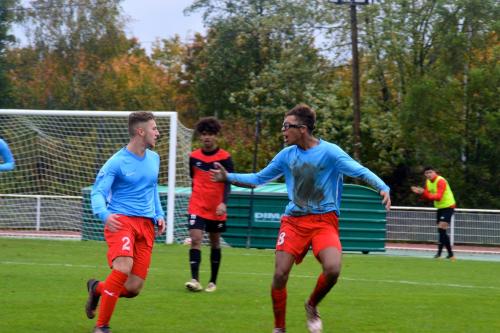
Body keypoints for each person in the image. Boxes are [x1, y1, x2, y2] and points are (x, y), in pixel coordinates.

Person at [211, 104, 391, 333]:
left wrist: (382, 187)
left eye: (287, 126)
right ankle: (279, 328)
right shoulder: (286, 156)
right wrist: (228, 177)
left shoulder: (331, 152)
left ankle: (312, 305)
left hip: (324, 222)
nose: (283, 130)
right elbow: (258, 179)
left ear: (303, 129)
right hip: (294, 222)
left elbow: (360, 171)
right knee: (279, 273)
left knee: (333, 269)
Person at [86, 112, 166, 333]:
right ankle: (101, 327)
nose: (158, 133)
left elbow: (151, 189)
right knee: (123, 268)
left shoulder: (154, 158)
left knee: (132, 288)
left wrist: (159, 214)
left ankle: (97, 289)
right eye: (154, 128)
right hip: (121, 221)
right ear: (140, 131)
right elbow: (98, 192)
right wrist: (104, 214)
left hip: (146, 225)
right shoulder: (117, 162)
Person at [184, 117, 234, 293]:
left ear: (216, 136)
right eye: (204, 134)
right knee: (196, 239)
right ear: (200, 136)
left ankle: (212, 281)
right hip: (197, 205)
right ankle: (195, 279)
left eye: (210, 134)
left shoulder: (225, 158)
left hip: (216, 207)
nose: (207, 137)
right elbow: (194, 179)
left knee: (215, 242)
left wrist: (223, 202)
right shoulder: (193, 157)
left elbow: (229, 182)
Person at [411, 166, 456, 260]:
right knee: (441, 231)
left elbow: (438, 197)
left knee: (441, 229)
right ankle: (450, 255)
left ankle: (439, 254)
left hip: (448, 206)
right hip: (440, 208)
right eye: (427, 173)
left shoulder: (441, 181)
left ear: (435, 172)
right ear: (425, 175)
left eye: (430, 172)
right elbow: (427, 196)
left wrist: (424, 192)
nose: (429, 174)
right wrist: (421, 193)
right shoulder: (428, 182)